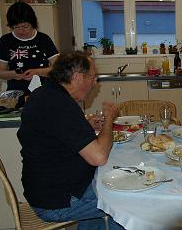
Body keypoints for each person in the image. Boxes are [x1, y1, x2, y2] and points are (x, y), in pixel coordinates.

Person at [17, 51, 124, 230]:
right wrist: (108, 121)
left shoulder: (46, 94)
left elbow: (58, 134)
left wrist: (85, 125)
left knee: (109, 182)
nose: (94, 83)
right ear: (77, 77)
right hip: (57, 203)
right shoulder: (59, 104)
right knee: (123, 200)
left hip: (46, 191)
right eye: (92, 77)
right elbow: (99, 157)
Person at [0, 2, 59, 106]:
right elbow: (0, 72)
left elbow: (58, 68)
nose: (21, 31)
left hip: (44, 94)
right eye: (16, 27)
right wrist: (13, 74)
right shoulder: (5, 41)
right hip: (16, 98)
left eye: (25, 26)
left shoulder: (44, 39)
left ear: (32, 23)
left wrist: (37, 72)